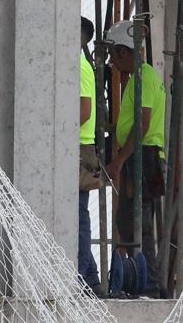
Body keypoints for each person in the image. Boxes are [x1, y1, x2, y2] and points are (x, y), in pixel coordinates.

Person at [104, 20, 167, 297]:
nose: (110, 61)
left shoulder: (144, 77)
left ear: (123, 52)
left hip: (144, 156)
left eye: (112, 54)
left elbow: (142, 123)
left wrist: (119, 159)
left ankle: (149, 285)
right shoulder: (141, 77)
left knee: (135, 220)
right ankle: (146, 281)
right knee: (130, 219)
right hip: (141, 154)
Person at [78, 16, 103, 296]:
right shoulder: (79, 63)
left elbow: (84, 110)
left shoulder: (79, 66)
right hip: (79, 147)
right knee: (76, 214)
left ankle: (83, 275)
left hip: (79, 148)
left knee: (77, 216)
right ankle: (90, 276)